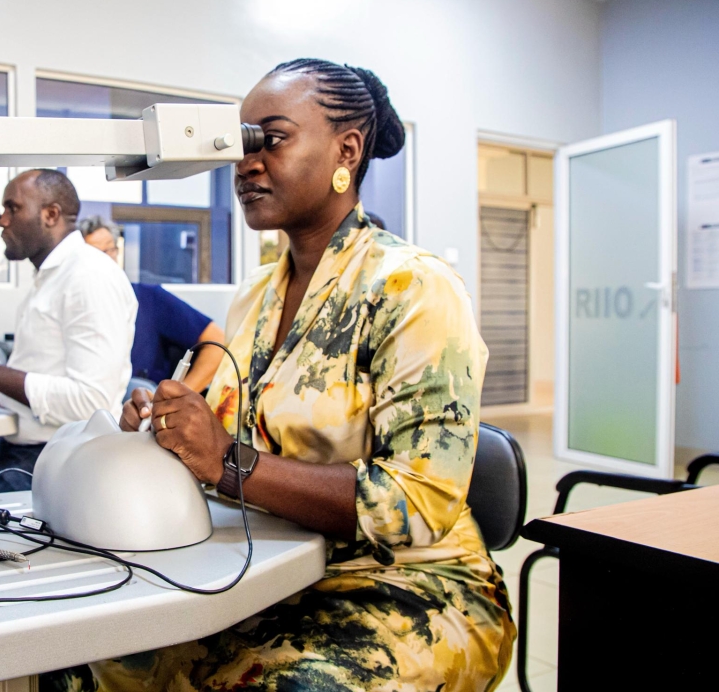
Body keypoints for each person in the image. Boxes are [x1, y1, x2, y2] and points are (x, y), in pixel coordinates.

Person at [47, 60, 514, 691]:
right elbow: (230, 434)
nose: (245, 163)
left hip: (410, 591)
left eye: (271, 139)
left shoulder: (415, 288)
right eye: (241, 144)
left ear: (346, 150)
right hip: (274, 569)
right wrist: (171, 425)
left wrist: (227, 461)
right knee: (73, 665)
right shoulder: (257, 295)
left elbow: (419, 503)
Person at [0, 169, 137, 496]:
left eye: (12, 208)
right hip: (19, 443)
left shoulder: (89, 277)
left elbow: (92, 402)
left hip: (60, 454)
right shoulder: (49, 277)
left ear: (50, 215)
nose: (2, 221)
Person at [77, 215, 225, 392]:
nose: (107, 259)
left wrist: (180, 397)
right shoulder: (76, 308)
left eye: (111, 250)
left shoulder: (149, 299)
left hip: (145, 408)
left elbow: (217, 341)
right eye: (97, 254)